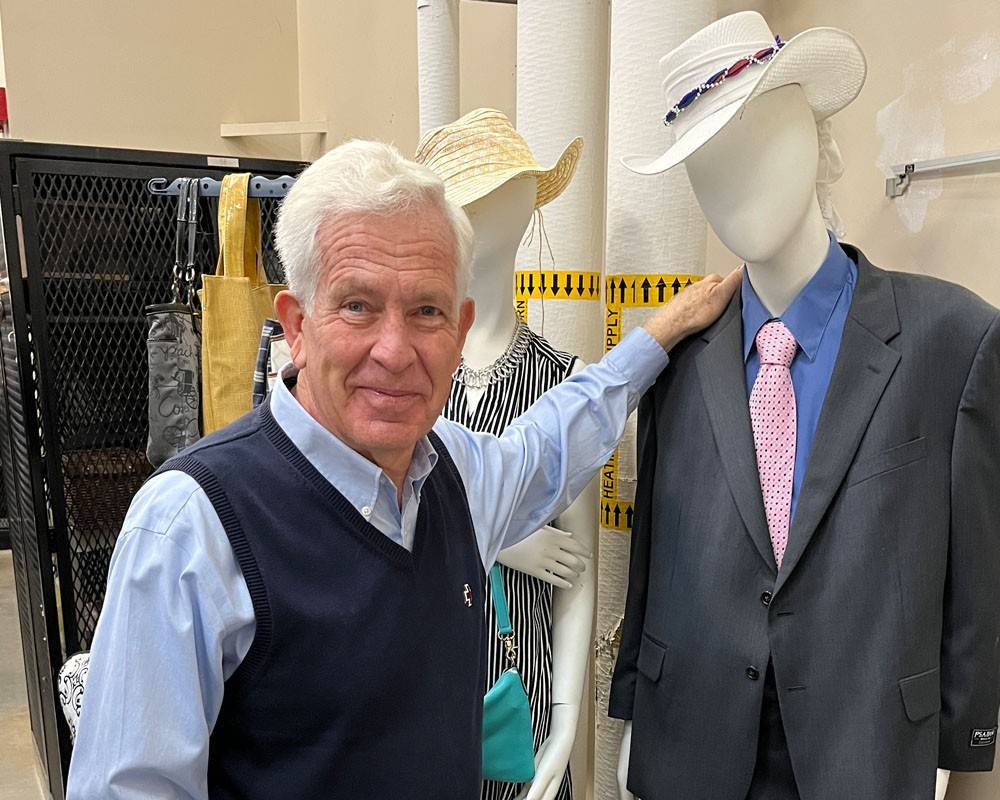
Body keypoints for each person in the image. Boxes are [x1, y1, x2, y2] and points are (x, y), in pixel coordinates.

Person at [66, 139, 740, 800]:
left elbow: (549, 444)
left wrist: (657, 336)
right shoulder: (192, 527)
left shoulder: (456, 472)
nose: (394, 351)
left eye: (426, 311)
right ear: (296, 324)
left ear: (458, 329)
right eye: (357, 305)